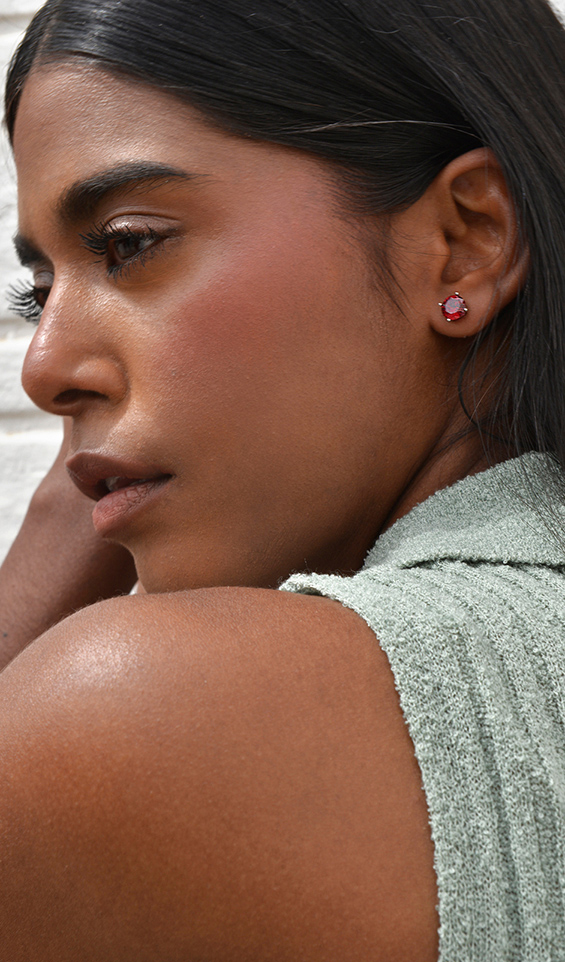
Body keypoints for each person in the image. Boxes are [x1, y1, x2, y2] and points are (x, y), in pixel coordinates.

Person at [1, 0, 565, 958]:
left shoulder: (141, 710)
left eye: (129, 243)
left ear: (465, 239)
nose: (43, 370)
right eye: (39, 294)